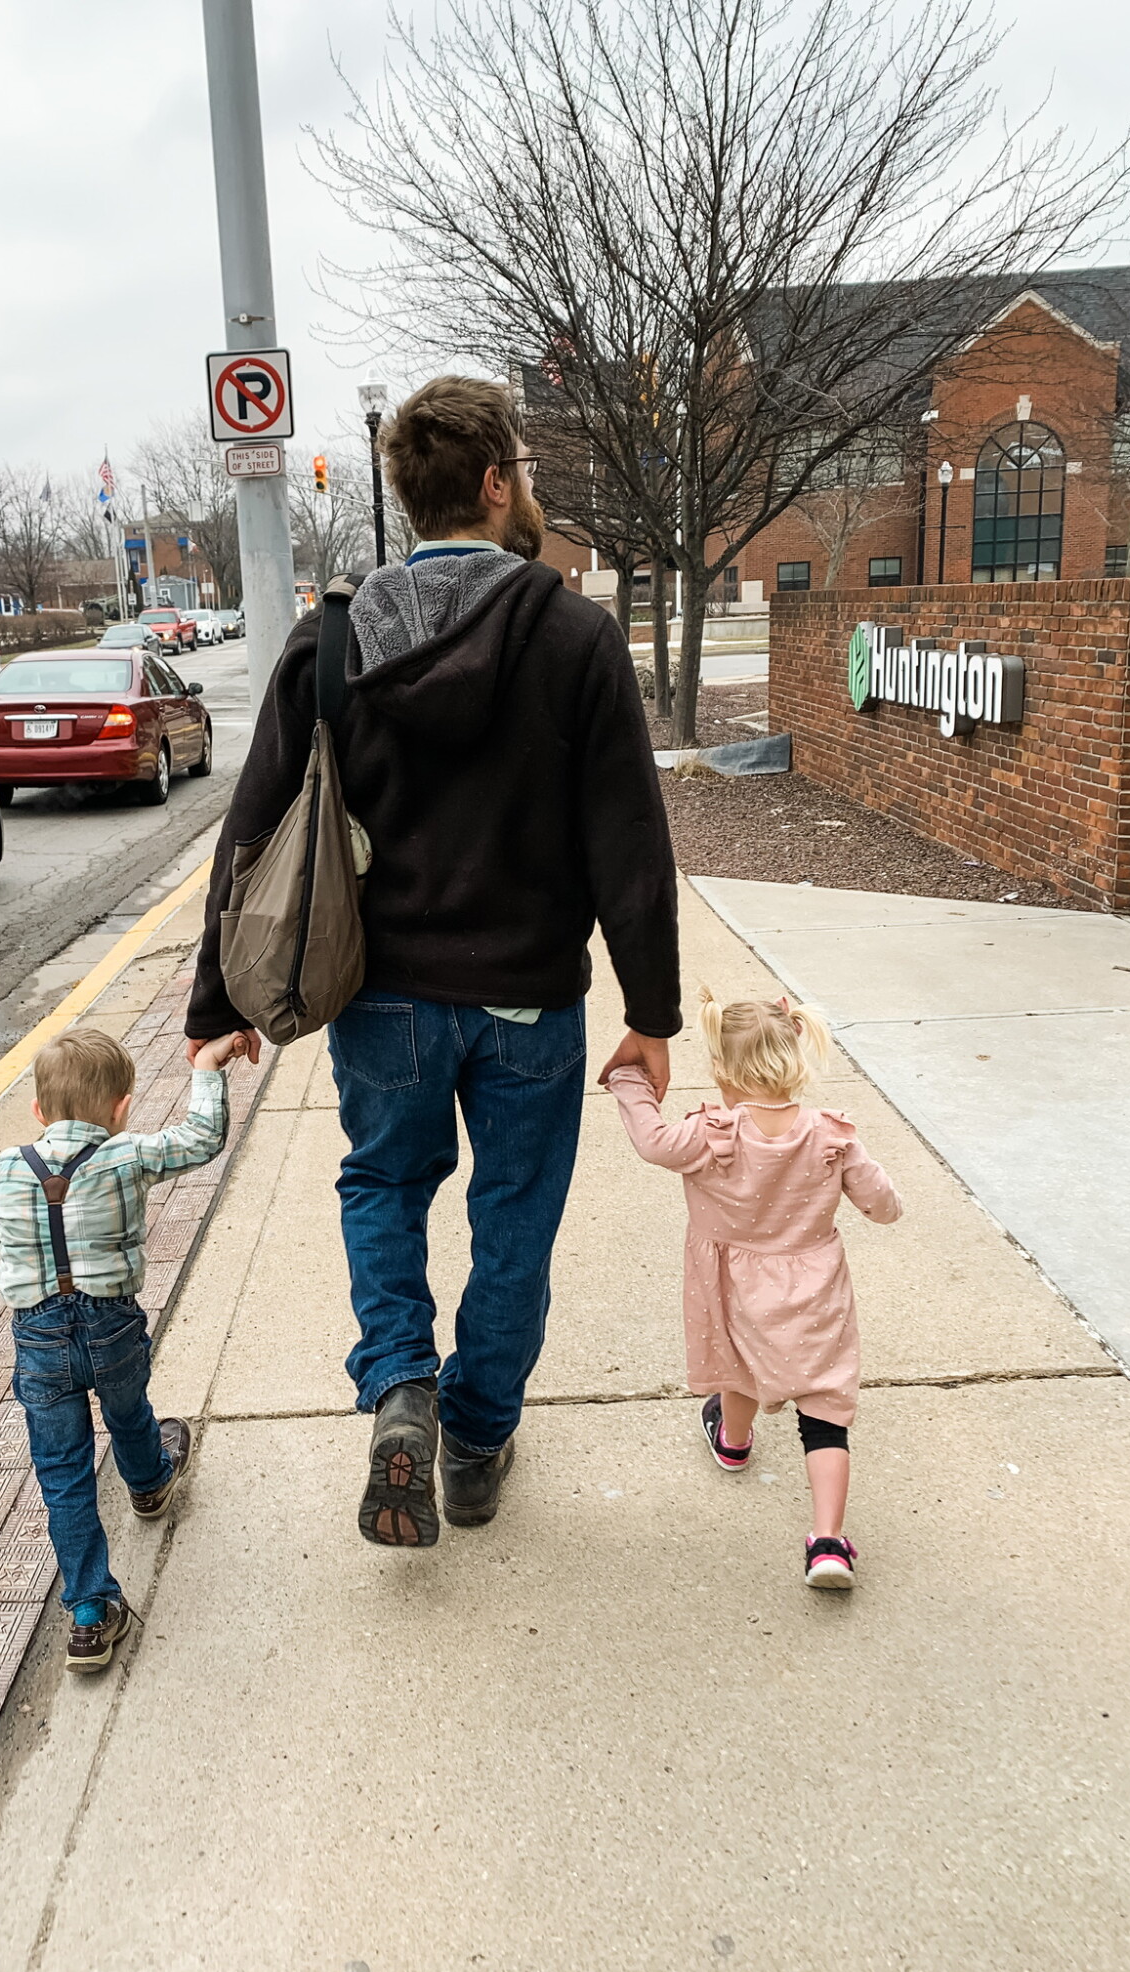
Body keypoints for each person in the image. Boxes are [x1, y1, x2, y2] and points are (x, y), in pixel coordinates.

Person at [186, 374, 681, 1548]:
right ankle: (474, 1439)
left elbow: (255, 824)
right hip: (526, 998)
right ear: (498, 483)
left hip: (385, 996)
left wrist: (221, 995)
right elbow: (628, 835)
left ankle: (401, 1382)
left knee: (384, 1184)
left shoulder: (334, 637)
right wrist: (651, 1008)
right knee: (516, 1217)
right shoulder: (573, 634)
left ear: (407, 494)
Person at [0, 1024, 246, 1670]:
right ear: (121, 1109)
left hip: (38, 1337)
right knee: (127, 1410)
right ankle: (148, 1481)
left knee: (62, 1473)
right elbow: (202, 1139)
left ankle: (90, 1613)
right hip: (111, 1325)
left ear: (38, 1112)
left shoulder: (9, 1167)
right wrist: (206, 1067)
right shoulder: (126, 1157)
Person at [606, 990, 901, 1587]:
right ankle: (827, 1544)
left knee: (737, 1363)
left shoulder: (710, 1134)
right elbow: (884, 1207)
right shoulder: (832, 1136)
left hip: (730, 1285)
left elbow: (651, 1142)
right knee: (824, 1408)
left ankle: (734, 1441)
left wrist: (628, 1082)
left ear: (722, 1069)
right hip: (815, 1286)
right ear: (797, 1057)